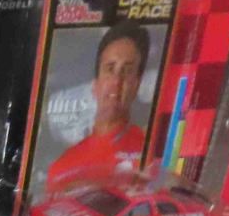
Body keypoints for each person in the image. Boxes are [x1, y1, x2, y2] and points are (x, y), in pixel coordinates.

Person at [44, 21, 150, 194]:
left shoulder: (151, 153)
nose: (117, 81)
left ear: (137, 84)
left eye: (127, 71)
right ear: (95, 84)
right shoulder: (61, 169)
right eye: (110, 69)